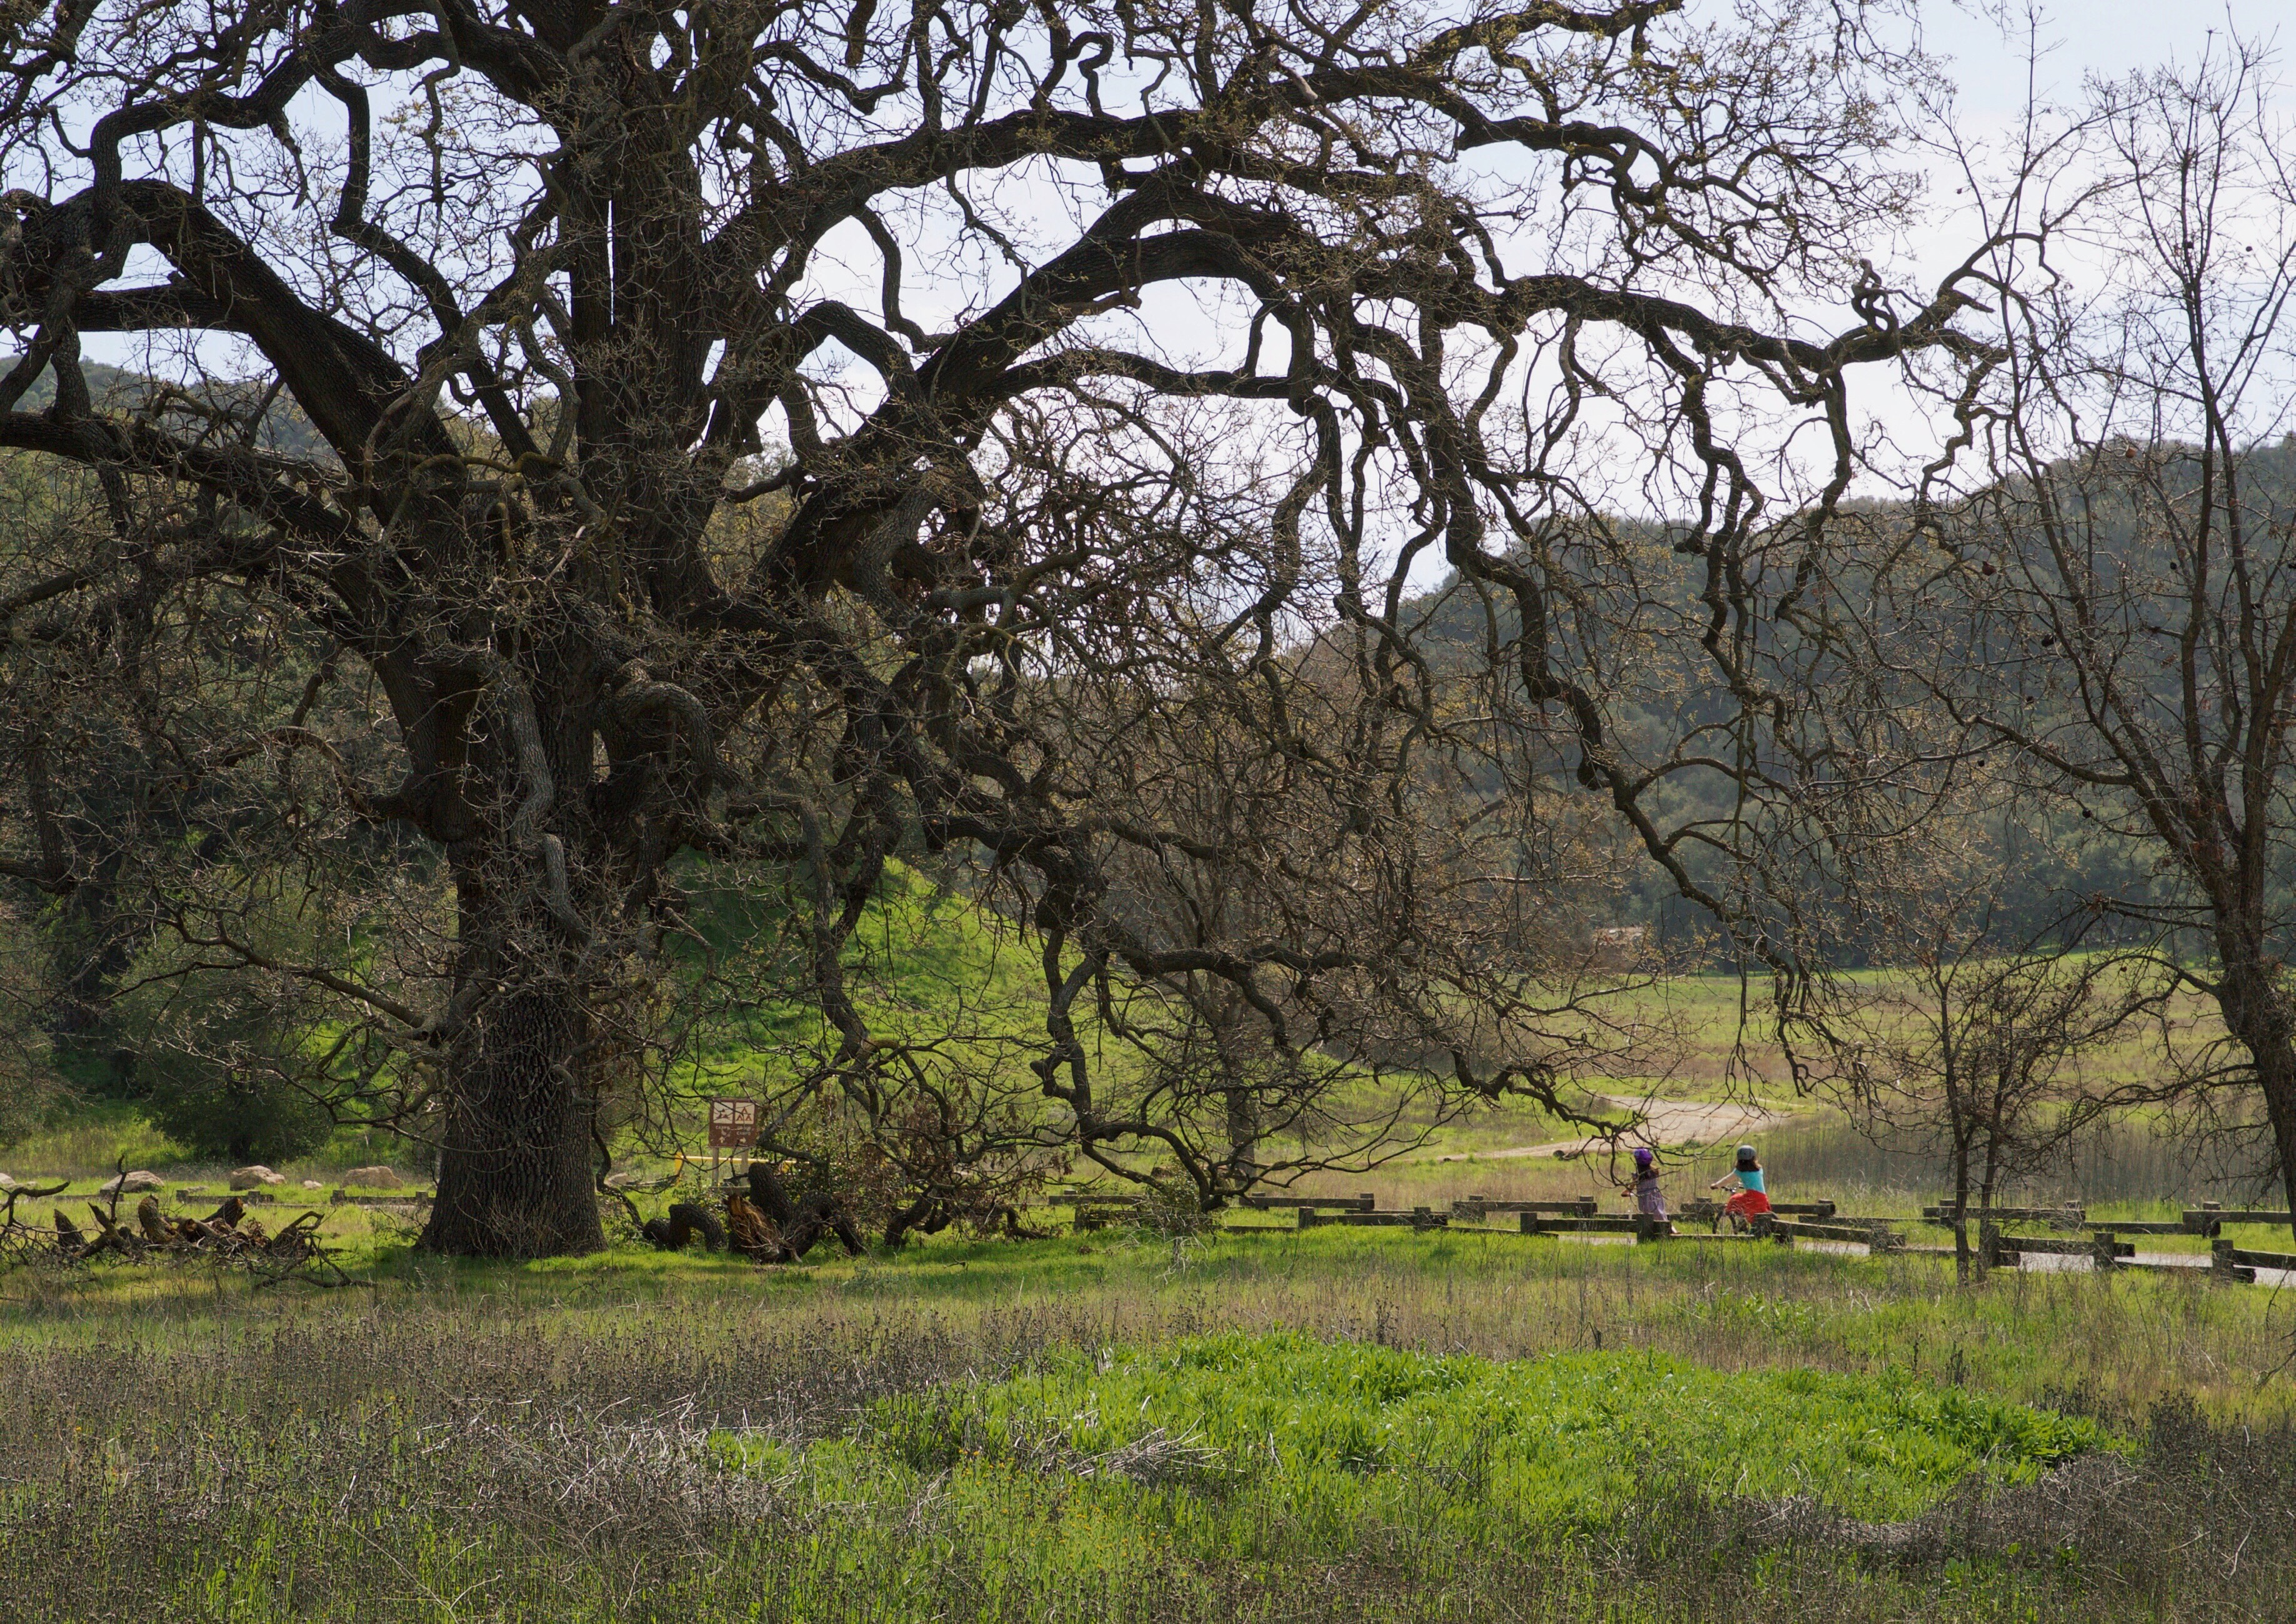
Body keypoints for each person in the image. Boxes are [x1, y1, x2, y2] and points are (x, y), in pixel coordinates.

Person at [1709, 1144, 1771, 1229]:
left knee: (1734, 1200)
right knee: (1748, 1208)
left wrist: (1716, 1185)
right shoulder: (1760, 1169)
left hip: (1752, 1197)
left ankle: (1742, 1223)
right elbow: (1754, 1180)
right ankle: (1745, 1223)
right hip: (1762, 1197)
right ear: (1754, 1157)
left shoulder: (1740, 1171)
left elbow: (1727, 1180)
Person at [1622, 1146, 1672, 1231]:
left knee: (1648, 1218)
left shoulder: (1637, 1176)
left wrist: (1627, 1192)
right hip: (1657, 1196)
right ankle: (1671, 1231)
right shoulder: (1655, 1171)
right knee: (1661, 1216)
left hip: (1645, 1199)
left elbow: (1627, 1192)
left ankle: (1655, 1234)